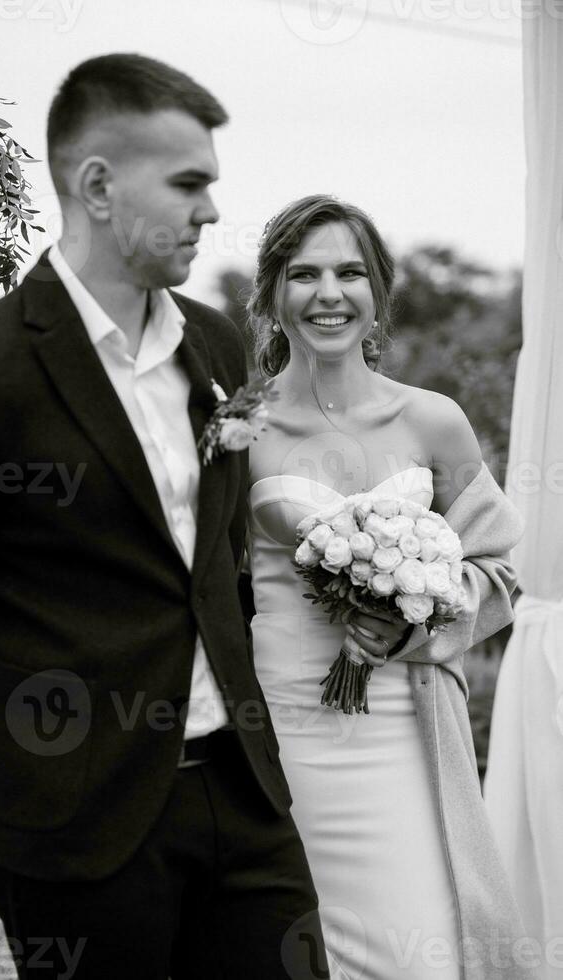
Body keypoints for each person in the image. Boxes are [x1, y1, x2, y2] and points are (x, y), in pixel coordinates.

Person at [0, 57, 327, 979]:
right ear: (98, 185)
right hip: (75, 822)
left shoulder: (216, 344)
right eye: (188, 184)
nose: (212, 211)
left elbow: (219, 558)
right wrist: (36, 709)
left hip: (244, 800)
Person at [246, 195, 531, 980]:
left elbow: (500, 571)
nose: (327, 293)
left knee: (420, 950)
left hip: (403, 729)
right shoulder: (239, 429)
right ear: (273, 294)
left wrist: (415, 627)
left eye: (350, 272)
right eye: (303, 274)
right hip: (277, 727)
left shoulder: (432, 421)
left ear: (378, 294)